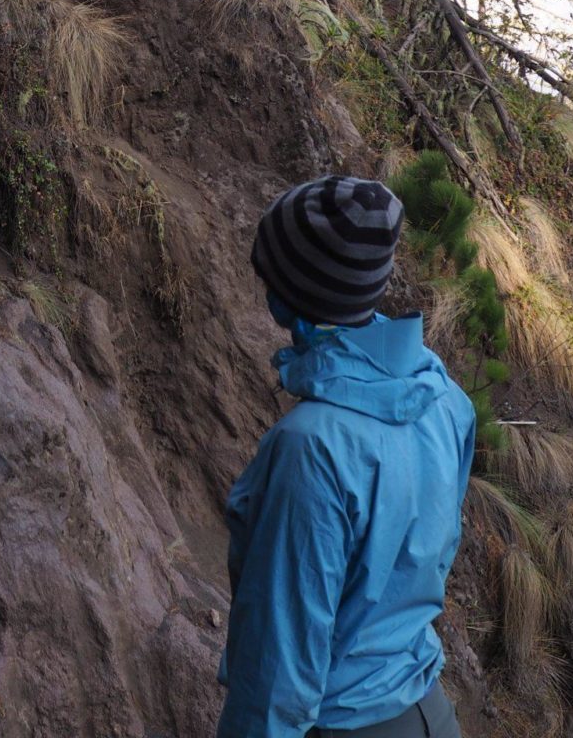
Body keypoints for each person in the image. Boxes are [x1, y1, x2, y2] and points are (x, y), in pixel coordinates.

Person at [218, 175, 475, 738]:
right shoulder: (446, 400)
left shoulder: (310, 448)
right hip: (430, 712)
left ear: (291, 300)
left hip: (342, 724)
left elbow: (280, 669)